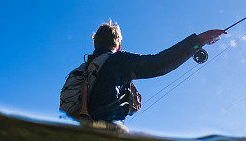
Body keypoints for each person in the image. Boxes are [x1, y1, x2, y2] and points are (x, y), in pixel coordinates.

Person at [86, 21, 225, 129]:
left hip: (82, 133)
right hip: (106, 134)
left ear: (95, 43)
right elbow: (160, 64)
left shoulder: (85, 68)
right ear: (118, 45)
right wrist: (199, 40)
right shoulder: (118, 60)